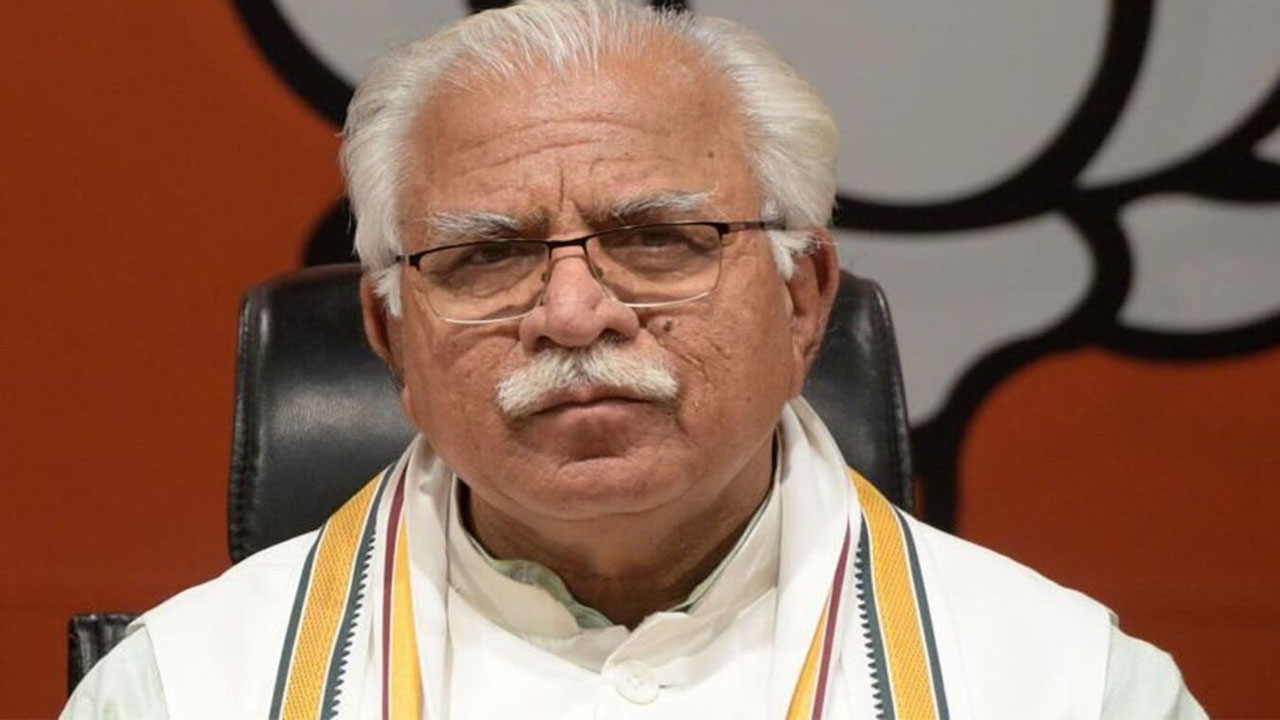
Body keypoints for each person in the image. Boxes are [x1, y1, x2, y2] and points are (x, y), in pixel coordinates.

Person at [63, 1, 1206, 717]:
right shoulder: (179, 693)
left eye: (656, 239)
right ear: (391, 336)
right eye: (485, 255)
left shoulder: (1070, 689)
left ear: (803, 298)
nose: (572, 314)